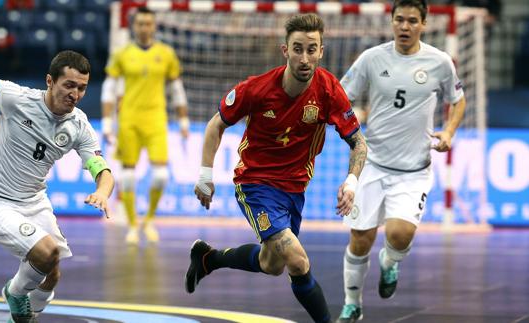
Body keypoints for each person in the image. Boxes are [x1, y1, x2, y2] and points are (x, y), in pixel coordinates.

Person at [187, 13, 367, 323]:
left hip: (295, 188)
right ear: (285, 50)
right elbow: (216, 125)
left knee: (272, 264)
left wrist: (351, 182)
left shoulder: (328, 90)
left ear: (321, 51)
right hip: (255, 184)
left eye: (312, 49)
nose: (304, 57)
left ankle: (209, 258)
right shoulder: (256, 89)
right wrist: (205, 175)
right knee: (297, 261)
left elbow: (359, 143)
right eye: (298, 48)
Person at [0, 50, 115, 322]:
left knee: (52, 273)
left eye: (82, 88)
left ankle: (26, 318)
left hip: (34, 202)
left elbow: (103, 170)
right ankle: (15, 293)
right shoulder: (16, 98)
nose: (75, 94)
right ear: (50, 81)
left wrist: (102, 191)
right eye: (69, 85)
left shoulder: (79, 125)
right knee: (47, 252)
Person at [336, 1, 467, 322]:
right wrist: (354, 120)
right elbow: (340, 96)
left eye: (411, 21)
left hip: (414, 171)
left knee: (399, 235)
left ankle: (390, 264)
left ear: (424, 23)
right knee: (360, 239)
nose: (404, 27)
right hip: (373, 164)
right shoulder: (372, 58)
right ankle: (352, 305)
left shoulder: (439, 62)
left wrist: (448, 131)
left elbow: (458, 100)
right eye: (399, 20)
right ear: (391, 22)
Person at [101, 7, 189, 245]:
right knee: (128, 176)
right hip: (129, 119)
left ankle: (148, 219)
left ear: (154, 26)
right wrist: (108, 121)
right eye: (140, 23)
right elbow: (109, 87)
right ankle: (132, 224)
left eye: (148, 23)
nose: (144, 28)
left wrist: (183, 120)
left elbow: (176, 89)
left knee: (161, 175)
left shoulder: (166, 53)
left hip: (156, 119)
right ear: (134, 26)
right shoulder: (122, 54)